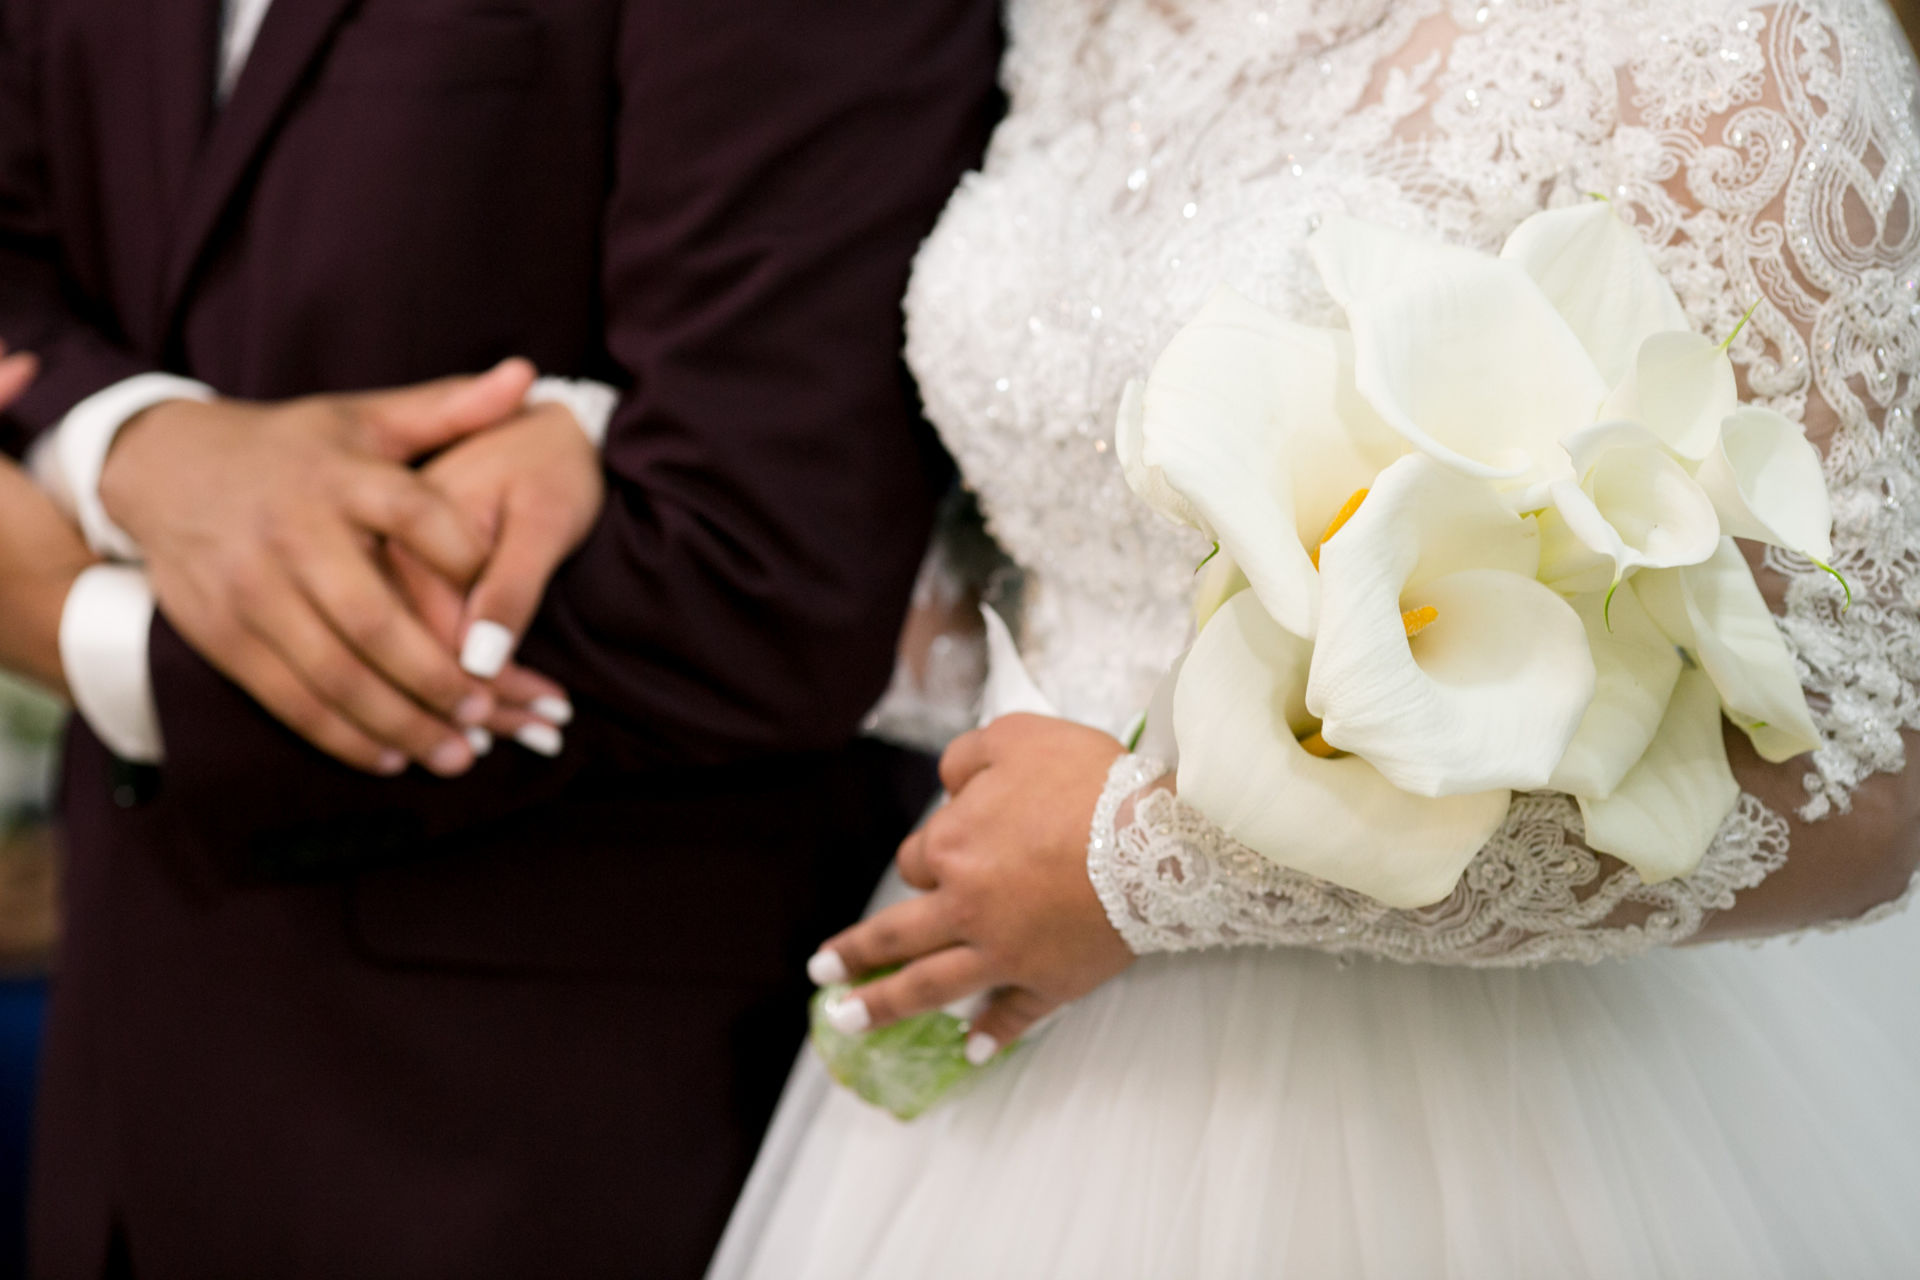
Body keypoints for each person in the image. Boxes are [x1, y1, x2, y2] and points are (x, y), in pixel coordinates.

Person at [711, 0, 1920, 1275]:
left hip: (1462, 1109)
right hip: (1026, 1018)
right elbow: (1045, 548)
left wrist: (1148, 863)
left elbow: (1862, 789)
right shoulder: (1073, 18)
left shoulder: (1724, 43)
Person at [0, 3, 1002, 1276]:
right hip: (125, 1073)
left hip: (537, 1131)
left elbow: (754, 566)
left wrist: (85, 630)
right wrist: (134, 441)